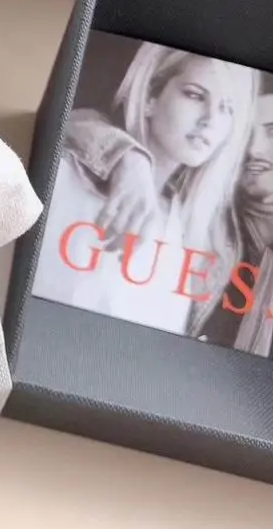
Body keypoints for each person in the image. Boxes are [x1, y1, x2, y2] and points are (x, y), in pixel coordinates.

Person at [33, 43, 257, 337]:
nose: (210, 120)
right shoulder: (67, 174)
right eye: (195, 95)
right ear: (151, 96)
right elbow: (55, 125)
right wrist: (126, 157)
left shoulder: (200, 237)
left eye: (227, 108)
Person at [67, 76, 273, 355]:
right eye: (246, 134)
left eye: (272, 132)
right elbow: (76, 122)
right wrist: (128, 158)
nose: (253, 150)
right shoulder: (204, 215)